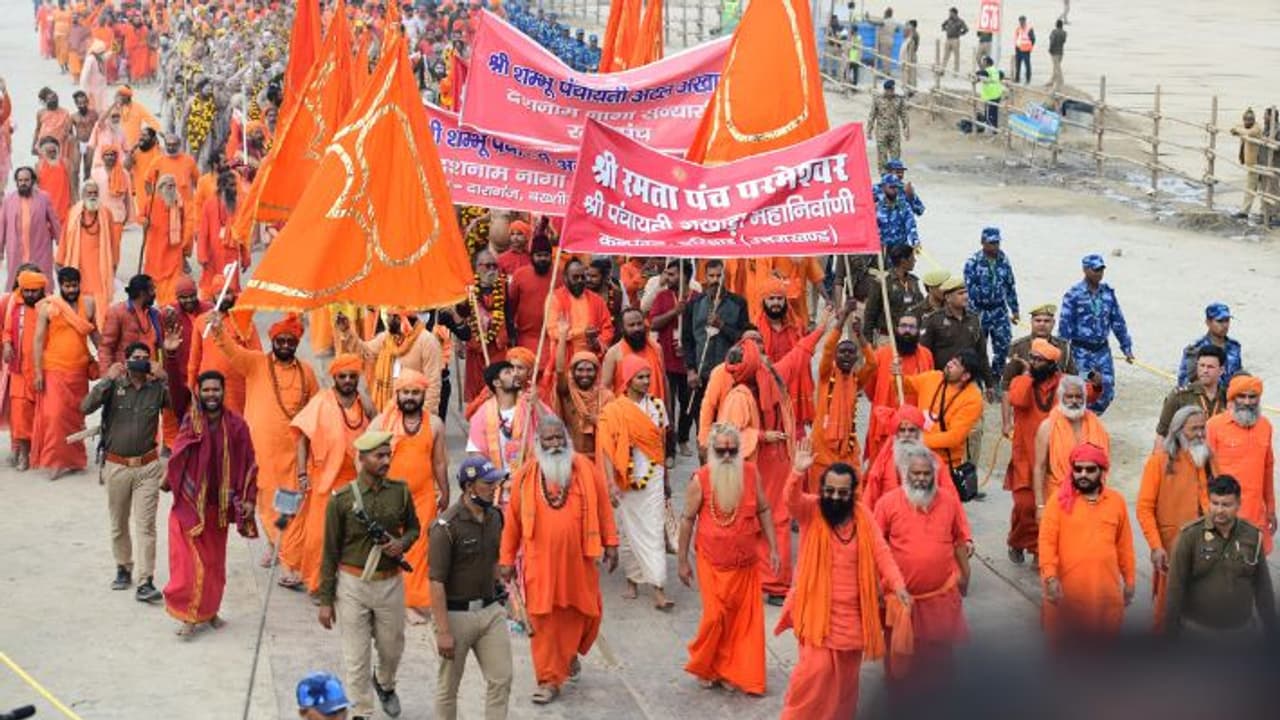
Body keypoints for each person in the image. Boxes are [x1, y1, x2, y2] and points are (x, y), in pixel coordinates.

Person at [776, 441, 910, 719]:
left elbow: (881, 552)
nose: (835, 497)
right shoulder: (812, 511)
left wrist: (898, 585)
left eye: (842, 492)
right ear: (822, 490)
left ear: (852, 493)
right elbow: (790, 501)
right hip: (816, 615)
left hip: (853, 618)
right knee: (813, 675)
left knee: (846, 685)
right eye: (829, 491)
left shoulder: (863, 516)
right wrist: (797, 473)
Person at [501, 418, 620, 704]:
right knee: (542, 621)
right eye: (548, 440)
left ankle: (568, 654)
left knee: (587, 614)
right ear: (538, 444)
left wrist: (612, 543)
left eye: (558, 439)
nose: (554, 445)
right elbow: (512, 522)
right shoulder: (525, 476)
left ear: (566, 439)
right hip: (540, 564)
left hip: (579, 562)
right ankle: (548, 679)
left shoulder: (585, 470)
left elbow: (603, 505)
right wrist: (505, 559)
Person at [317, 430, 420, 720]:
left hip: (390, 583)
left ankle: (385, 684)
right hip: (352, 585)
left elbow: (414, 527)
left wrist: (402, 543)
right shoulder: (341, 500)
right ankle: (361, 711)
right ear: (362, 459)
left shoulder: (400, 491)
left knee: (392, 648)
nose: (386, 460)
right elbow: (329, 552)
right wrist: (326, 600)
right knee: (356, 658)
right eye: (379, 456)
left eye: (388, 454)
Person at [211, 312, 320, 559]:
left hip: (294, 454)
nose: (284, 346)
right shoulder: (257, 363)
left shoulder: (308, 372)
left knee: (290, 505)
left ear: (297, 344)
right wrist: (218, 330)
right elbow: (232, 351)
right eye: (280, 341)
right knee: (266, 504)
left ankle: (288, 553)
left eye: (290, 342)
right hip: (261, 452)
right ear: (272, 340)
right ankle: (276, 546)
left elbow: (315, 412)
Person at [678, 423, 776, 694]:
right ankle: (707, 666)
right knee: (714, 617)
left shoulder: (750, 473)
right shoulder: (700, 479)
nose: (727, 456)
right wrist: (682, 562)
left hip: (745, 563)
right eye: (721, 451)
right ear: (712, 451)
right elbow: (686, 521)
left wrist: (774, 548)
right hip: (711, 561)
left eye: (732, 451)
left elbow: (765, 509)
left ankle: (730, 671)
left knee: (741, 623)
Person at [162, 369, 258, 637]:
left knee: (215, 564)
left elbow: (250, 462)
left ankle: (211, 610)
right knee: (189, 565)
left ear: (223, 391)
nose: (211, 395)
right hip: (190, 505)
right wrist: (171, 358)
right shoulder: (189, 421)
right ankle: (189, 617)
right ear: (199, 392)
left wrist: (249, 498)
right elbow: (177, 393)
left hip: (219, 508)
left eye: (216, 390)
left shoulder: (237, 425)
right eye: (206, 390)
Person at [874, 442, 971, 696]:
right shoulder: (887, 503)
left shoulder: (949, 502)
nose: (921, 478)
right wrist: (876, 585)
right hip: (900, 600)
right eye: (915, 473)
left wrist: (965, 578)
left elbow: (960, 540)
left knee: (939, 659)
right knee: (899, 662)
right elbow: (874, 546)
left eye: (926, 473)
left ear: (934, 475)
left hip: (939, 597)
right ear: (905, 474)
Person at [81, 341, 169, 602]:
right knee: (119, 522)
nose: (139, 362)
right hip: (117, 465)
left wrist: (167, 375)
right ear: (126, 361)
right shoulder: (114, 386)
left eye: (144, 358)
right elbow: (85, 407)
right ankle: (123, 567)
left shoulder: (157, 389)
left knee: (146, 526)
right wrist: (107, 379)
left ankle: (146, 580)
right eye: (135, 358)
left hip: (148, 467)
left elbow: (185, 405)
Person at [429, 457, 512, 720]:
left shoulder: (496, 517)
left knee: (501, 679)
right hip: (456, 616)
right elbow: (436, 582)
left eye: (494, 481)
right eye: (487, 483)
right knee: (448, 688)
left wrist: (501, 586)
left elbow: (493, 558)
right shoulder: (446, 527)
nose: (494, 487)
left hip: (490, 611)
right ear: (469, 488)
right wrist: (443, 632)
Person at [284, 355, 373, 593]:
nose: (347, 380)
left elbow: (377, 432)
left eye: (352, 376)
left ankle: (345, 585)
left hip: (356, 479)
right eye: (342, 376)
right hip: (324, 479)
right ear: (334, 378)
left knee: (352, 535)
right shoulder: (321, 401)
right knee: (319, 536)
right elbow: (302, 438)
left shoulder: (364, 403)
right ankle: (317, 584)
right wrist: (302, 474)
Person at [370, 370, 448, 622]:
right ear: (398, 394)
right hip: (389, 497)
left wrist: (445, 492)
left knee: (419, 548)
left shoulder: (434, 423)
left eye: (416, 392)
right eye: (406, 392)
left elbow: (439, 463)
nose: (411, 397)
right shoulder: (383, 422)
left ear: (424, 394)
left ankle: (413, 600)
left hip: (423, 497)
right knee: (390, 547)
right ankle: (397, 602)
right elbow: (364, 457)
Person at [1038, 442, 1135, 645]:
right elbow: (1046, 543)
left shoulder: (1116, 502)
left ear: (1102, 472)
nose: (1083, 474)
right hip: (1068, 597)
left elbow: (1124, 545)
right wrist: (1050, 578)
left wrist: (1130, 580)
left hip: (1105, 597)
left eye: (1090, 469)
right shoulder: (1058, 502)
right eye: (1078, 469)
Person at [598, 356, 671, 609]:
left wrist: (667, 481)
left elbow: (661, 445)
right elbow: (607, 449)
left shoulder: (658, 407)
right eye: (640, 377)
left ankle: (658, 586)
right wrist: (610, 482)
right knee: (628, 530)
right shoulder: (613, 410)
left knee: (653, 530)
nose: (646, 381)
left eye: (648, 376)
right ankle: (632, 579)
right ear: (628, 380)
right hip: (624, 478)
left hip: (653, 476)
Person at [1165, 475, 1277, 639]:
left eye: (1226, 504)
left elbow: (1263, 587)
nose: (1219, 510)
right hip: (1197, 636)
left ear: (1238, 504)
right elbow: (1175, 588)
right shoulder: (1190, 536)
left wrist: (1272, 631)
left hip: (1241, 636)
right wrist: (1171, 636)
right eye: (1215, 503)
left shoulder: (1252, 536)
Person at [1136, 406, 1211, 632]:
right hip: (1172, 548)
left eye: (1202, 428)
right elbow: (1144, 509)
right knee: (1168, 613)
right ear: (1178, 431)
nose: (1200, 434)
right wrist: (1156, 547)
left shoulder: (1206, 458)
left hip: (1205, 547)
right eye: (1194, 429)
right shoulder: (1157, 463)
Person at [1002, 339, 1074, 563]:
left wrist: (1096, 385)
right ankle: (1016, 541)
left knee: (1048, 508)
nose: (1033, 362)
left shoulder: (1063, 384)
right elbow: (1017, 399)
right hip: (1025, 457)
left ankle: (1038, 550)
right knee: (1024, 507)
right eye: (1032, 358)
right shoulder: (1022, 381)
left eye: (1038, 360)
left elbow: (1083, 394)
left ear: (1052, 364)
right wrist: (1028, 374)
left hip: (1052, 459)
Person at [31, 267, 96, 480]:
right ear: (60, 286)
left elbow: (95, 334)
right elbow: (38, 341)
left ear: (79, 284)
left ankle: (75, 460)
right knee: (55, 416)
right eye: (67, 286)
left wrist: (107, 357)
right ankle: (55, 462)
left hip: (79, 371)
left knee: (76, 417)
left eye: (74, 285)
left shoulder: (88, 304)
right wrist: (38, 372)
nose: (71, 289)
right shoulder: (48, 307)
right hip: (54, 369)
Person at [1205, 375, 1275, 554]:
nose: (1247, 401)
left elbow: (1267, 471)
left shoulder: (1265, 426)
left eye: (1252, 397)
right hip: (1223, 516)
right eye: (1241, 396)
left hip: (1255, 515)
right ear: (1232, 398)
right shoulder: (1214, 426)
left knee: (1254, 569)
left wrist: (1271, 510)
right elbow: (1202, 473)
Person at [1058, 254, 1134, 413]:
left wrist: (1126, 347)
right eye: (1095, 270)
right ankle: (1081, 423)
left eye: (1101, 269)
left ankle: (1089, 418)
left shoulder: (1107, 293)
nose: (1099, 273)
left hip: (1102, 352)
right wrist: (1063, 356)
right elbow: (1064, 327)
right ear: (1085, 270)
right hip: (1081, 352)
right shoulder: (1074, 295)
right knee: (1082, 390)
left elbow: (1117, 321)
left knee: (1106, 391)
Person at [810, 318, 876, 489]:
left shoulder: (856, 380)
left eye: (850, 352)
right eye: (842, 352)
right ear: (835, 356)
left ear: (856, 358)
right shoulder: (826, 374)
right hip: (823, 448)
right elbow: (827, 348)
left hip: (847, 448)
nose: (846, 355)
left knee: (854, 494)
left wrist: (860, 336)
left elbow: (872, 363)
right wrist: (843, 316)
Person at [334, 311, 443, 414]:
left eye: (392, 317)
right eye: (388, 316)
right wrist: (346, 331)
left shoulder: (427, 342)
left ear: (403, 319)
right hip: (387, 408)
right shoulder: (387, 338)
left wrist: (426, 419)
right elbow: (365, 353)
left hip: (413, 408)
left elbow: (433, 384)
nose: (387, 320)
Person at [1033, 375, 1110, 520]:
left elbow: (1104, 465)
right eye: (1069, 396)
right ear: (1061, 397)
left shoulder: (1096, 425)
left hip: (1092, 497)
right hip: (1058, 497)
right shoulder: (1047, 427)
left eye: (1078, 396)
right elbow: (1039, 467)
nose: (1074, 401)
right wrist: (1040, 506)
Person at [897, 350, 985, 473]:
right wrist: (897, 374)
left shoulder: (973, 398)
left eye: (956, 364)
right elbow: (903, 386)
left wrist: (919, 440)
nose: (949, 364)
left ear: (965, 376)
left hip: (944, 465)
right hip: (915, 456)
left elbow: (954, 438)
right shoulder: (932, 377)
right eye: (951, 360)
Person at [863, 310, 933, 462]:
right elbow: (870, 390)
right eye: (903, 326)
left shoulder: (926, 355)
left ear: (918, 330)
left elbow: (930, 387)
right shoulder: (881, 355)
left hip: (914, 427)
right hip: (885, 426)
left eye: (912, 327)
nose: (907, 330)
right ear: (896, 329)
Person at [466, 360, 551, 477]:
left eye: (515, 370)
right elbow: (476, 455)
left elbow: (553, 429)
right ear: (496, 383)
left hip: (530, 480)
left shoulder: (531, 404)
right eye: (508, 372)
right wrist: (495, 480)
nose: (515, 374)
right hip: (498, 486)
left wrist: (537, 403)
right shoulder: (481, 415)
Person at [56, 179, 119, 329]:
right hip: (78, 263)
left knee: (100, 300)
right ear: (83, 194)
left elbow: (113, 241)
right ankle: (81, 328)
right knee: (79, 297)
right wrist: (59, 261)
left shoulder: (106, 214)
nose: (92, 196)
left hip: (99, 266)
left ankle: (101, 331)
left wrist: (114, 263)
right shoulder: (74, 213)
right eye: (89, 193)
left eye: (95, 193)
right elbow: (64, 237)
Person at [188, 289, 260, 415]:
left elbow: (257, 357)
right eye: (219, 293)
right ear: (213, 296)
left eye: (228, 293)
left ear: (234, 295)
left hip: (236, 387)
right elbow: (194, 359)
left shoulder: (244, 321)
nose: (224, 297)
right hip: (208, 384)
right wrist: (191, 387)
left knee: (234, 425)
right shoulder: (202, 321)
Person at [647, 260, 693, 458]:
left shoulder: (697, 298)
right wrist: (674, 312)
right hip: (667, 360)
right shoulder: (663, 296)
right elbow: (653, 323)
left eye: (673, 274)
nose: (668, 278)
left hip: (689, 362)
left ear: (685, 276)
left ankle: (683, 439)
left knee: (687, 404)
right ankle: (670, 449)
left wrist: (687, 346)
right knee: (668, 405)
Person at [4, 270, 49, 469]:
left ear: (42, 289)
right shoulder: (14, 305)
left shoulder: (49, 307)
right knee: (20, 413)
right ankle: (22, 453)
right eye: (27, 291)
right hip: (20, 370)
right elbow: (6, 330)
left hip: (43, 369)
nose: (30, 295)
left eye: (34, 291)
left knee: (41, 413)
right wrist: (6, 343)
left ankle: (39, 452)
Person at [962, 227, 1020, 378]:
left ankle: (996, 377)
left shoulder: (1004, 260)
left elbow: (1010, 286)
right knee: (977, 347)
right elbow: (969, 291)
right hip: (979, 310)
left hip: (999, 311)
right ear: (983, 243)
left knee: (1004, 347)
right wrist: (971, 315)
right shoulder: (973, 263)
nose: (995, 246)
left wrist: (1015, 310)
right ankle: (980, 379)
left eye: (997, 242)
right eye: (991, 243)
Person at [920, 277, 992, 394]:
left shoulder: (974, 319)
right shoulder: (933, 320)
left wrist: (989, 384)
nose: (966, 297)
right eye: (960, 293)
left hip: (968, 380)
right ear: (948, 297)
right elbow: (924, 353)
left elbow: (982, 354)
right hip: (942, 380)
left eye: (966, 293)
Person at [457, 249, 511, 401]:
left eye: (495, 266)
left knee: (498, 389)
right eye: (488, 266)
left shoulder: (503, 286)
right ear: (477, 267)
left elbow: (509, 314)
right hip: (476, 348)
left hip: (497, 347)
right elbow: (463, 314)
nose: (492, 270)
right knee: (477, 394)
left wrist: (513, 341)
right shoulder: (469, 289)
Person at [551, 335, 612, 461]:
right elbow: (560, 370)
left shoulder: (607, 396)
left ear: (597, 372)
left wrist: (599, 421)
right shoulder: (568, 392)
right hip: (573, 459)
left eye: (589, 370)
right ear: (572, 372)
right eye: (580, 370)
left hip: (600, 459)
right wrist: (562, 336)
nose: (585, 374)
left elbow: (615, 427)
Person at [1, 168, 61, 290]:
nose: (23, 183)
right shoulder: (8, 200)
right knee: (16, 284)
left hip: (40, 249)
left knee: (41, 282)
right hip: (16, 249)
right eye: (20, 180)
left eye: (26, 180)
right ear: (16, 182)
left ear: (33, 181)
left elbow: (54, 221)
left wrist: (62, 245)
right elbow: (2, 225)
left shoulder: (44, 198)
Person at [1156, 345, 1228, 443]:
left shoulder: (1228, 397)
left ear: (1221, 371)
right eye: (1202, 366)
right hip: (1186, 453)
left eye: (1210, 367)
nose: (1205, 371)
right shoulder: (1180, 396)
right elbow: (1162, 435)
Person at [196, 170, 249, 301]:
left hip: (232, 254)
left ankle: (228, 316)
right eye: (230, 185)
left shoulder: (239, 203)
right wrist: (202, 255)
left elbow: (243, 233)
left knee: (231, 287)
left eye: (234, 185)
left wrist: (245, 256)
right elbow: (203, 233)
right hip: (213, 254)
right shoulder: (209, 204)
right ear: (221, 186)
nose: (234, 189)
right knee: (212, 286)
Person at [140, 173, 191, 307]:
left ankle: (169, 309)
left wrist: (186, 249)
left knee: (173, 289)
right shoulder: (150, 201)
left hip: (174, 252)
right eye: (169, 186)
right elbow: (140, 216)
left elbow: (185, 224)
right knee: (156, 285)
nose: (172, 189)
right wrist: (144, 221)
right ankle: (162, 308)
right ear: (160, 187)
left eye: (174, 186)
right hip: (156, 252)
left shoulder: (179, 204)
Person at [548, 258, 614, 359]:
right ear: (565, 277)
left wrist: (596, 341)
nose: (580, 280)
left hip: (591, 360)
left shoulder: (597, 300)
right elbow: (553, 331)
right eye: (575, 277)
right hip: (565, 358)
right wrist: (583, 333)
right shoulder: (555, 298)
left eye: (583, 277)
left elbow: (608, 329)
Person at [601, 307, 668, 405]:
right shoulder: (614, 353)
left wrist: (668, 412)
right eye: (631, 325)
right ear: (622, 329)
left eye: (639, 324)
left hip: (655, 411)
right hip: (625, 413)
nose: (636, 328)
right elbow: (605, 389)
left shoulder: (656, 348)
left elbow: (664, 381)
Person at [98, 274, 161, 373]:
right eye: (152, 290)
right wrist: (106, 378)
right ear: (142, 293)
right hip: (126, 378)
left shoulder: (154, 314)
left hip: (149, 379)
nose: (154, 293)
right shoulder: (117, 313)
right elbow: (106, 348)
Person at [862, 244, 922, 344]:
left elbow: (920, 307)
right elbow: (870, 313)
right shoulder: (882, 281)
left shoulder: (913, 281)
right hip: (888, 338)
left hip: (910, 338)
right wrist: (868, 341)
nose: (915, 261)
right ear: (903, 260)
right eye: (912, 258)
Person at [505, 232, 554, 353]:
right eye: (539, 255)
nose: (543, 258)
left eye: (546, 255)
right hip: (525, 337)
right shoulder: (520, 275)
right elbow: (510, 306)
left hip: (553, 337)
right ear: (532, 256)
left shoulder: (559, 274)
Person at [1176, 302, 1242, 389]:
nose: (1225, 325)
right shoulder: (1196, 348)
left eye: (1227, 320)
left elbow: (1238, 374)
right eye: (1220, 321)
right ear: (1208, 323)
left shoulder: (1234, 347)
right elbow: (1184, 381)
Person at [1232, 109, 1265, 219]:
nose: (1247, 122)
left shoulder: (1256, 128)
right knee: (1256, 187)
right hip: (1252, 163)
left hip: (1258, 162)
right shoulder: (1245, 127)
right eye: (1245, 120)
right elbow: (1234, 129)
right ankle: (1250, 211)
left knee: (1257, 187)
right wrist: (1237, 129)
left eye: (1250, 120)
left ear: (1254, 120)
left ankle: (1249, 211)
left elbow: (1248, 133)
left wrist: (1237, 129)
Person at [91, 144, 132, 226]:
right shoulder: (95, 173)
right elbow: (92, 195)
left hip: (118, 215)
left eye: (112, 155)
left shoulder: (124, 173)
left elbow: (127, 197)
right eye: (107, 155)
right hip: (101, 215)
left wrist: (128, 214)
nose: (110, 157)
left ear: (116, 157)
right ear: (102, 157)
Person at [875, 173, 919, 250]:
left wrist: (915, 242)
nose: (894, 190)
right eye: (891, 187)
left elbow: (911, 226)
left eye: (896, 187)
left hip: (900, 250)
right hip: (882, 250)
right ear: (883, 187)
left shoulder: (904, 206)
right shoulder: (876, 208)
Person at [975, 56, 1006, 132]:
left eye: (984, 62)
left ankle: (991, 129)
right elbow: (1001, 74)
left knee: (989, 114)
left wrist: (975, 74)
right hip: (997, 95)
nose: (982, 64)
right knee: (994, 113)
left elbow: (980, 73)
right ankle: (994, 129)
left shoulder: (988, 71)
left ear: (986, 63)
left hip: (990, 96)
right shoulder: (995, 70)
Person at [940, 7, 968, 74]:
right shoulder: (948, 20)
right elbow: (943, 25)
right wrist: (945, 29)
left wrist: (960, 33)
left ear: (955, 13)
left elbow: (966, 29)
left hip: (955, 39)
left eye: (951, 13)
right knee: (945, 55)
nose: (949, 14)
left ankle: (956, 72)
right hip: (948, 39)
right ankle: (942, 70)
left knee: (956, 56)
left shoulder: (960, 21)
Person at [1012, 15, 1035, 84]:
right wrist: (1016, 46)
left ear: (1025, 21)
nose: (1021, 23)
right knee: (1018, 64)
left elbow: (1033, 39)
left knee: (1027, 64)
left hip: (1026, 50)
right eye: (1020, 21)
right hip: (1018, 49)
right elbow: (1016, 38)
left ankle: (1028, 79)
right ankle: (1017, 78)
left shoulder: (1029, 29)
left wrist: (1030, 47)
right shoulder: (1018, 29)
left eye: (1022, 21)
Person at [1047, 19, 1067, 92]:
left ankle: (1060, 81)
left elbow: (1052, 41)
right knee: (1056, 67)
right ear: (1062, 25)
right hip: (1061, 52)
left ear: (1056, 25)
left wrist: (1050, 49)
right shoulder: (1064, 33)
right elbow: (1064, 41)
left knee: (1057, 67)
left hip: (1054, 52)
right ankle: (1052, 80)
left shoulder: (1054, 32)